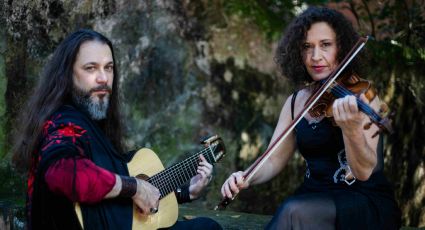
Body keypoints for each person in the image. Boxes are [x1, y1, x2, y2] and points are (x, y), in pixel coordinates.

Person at [11, 29, 222, 230]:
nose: (103, 78)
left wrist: (186, 192)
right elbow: (62, 172)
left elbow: (112, 199)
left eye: (108, 67)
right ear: (67, 74)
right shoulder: (65, 123)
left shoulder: (92, 122)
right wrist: (134, 187)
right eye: (90, 68)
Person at [220, 6, 401, 230]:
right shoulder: (296, 102)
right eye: (307, 47)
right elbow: (273, 159)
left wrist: (352, 130)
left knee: (293, 211)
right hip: (314, 198)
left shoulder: (362, 95)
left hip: (361, 202)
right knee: (295, 210)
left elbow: (363, 172)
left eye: (326, 45)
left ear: (342, 48)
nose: (315, 57)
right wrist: (247, 177)